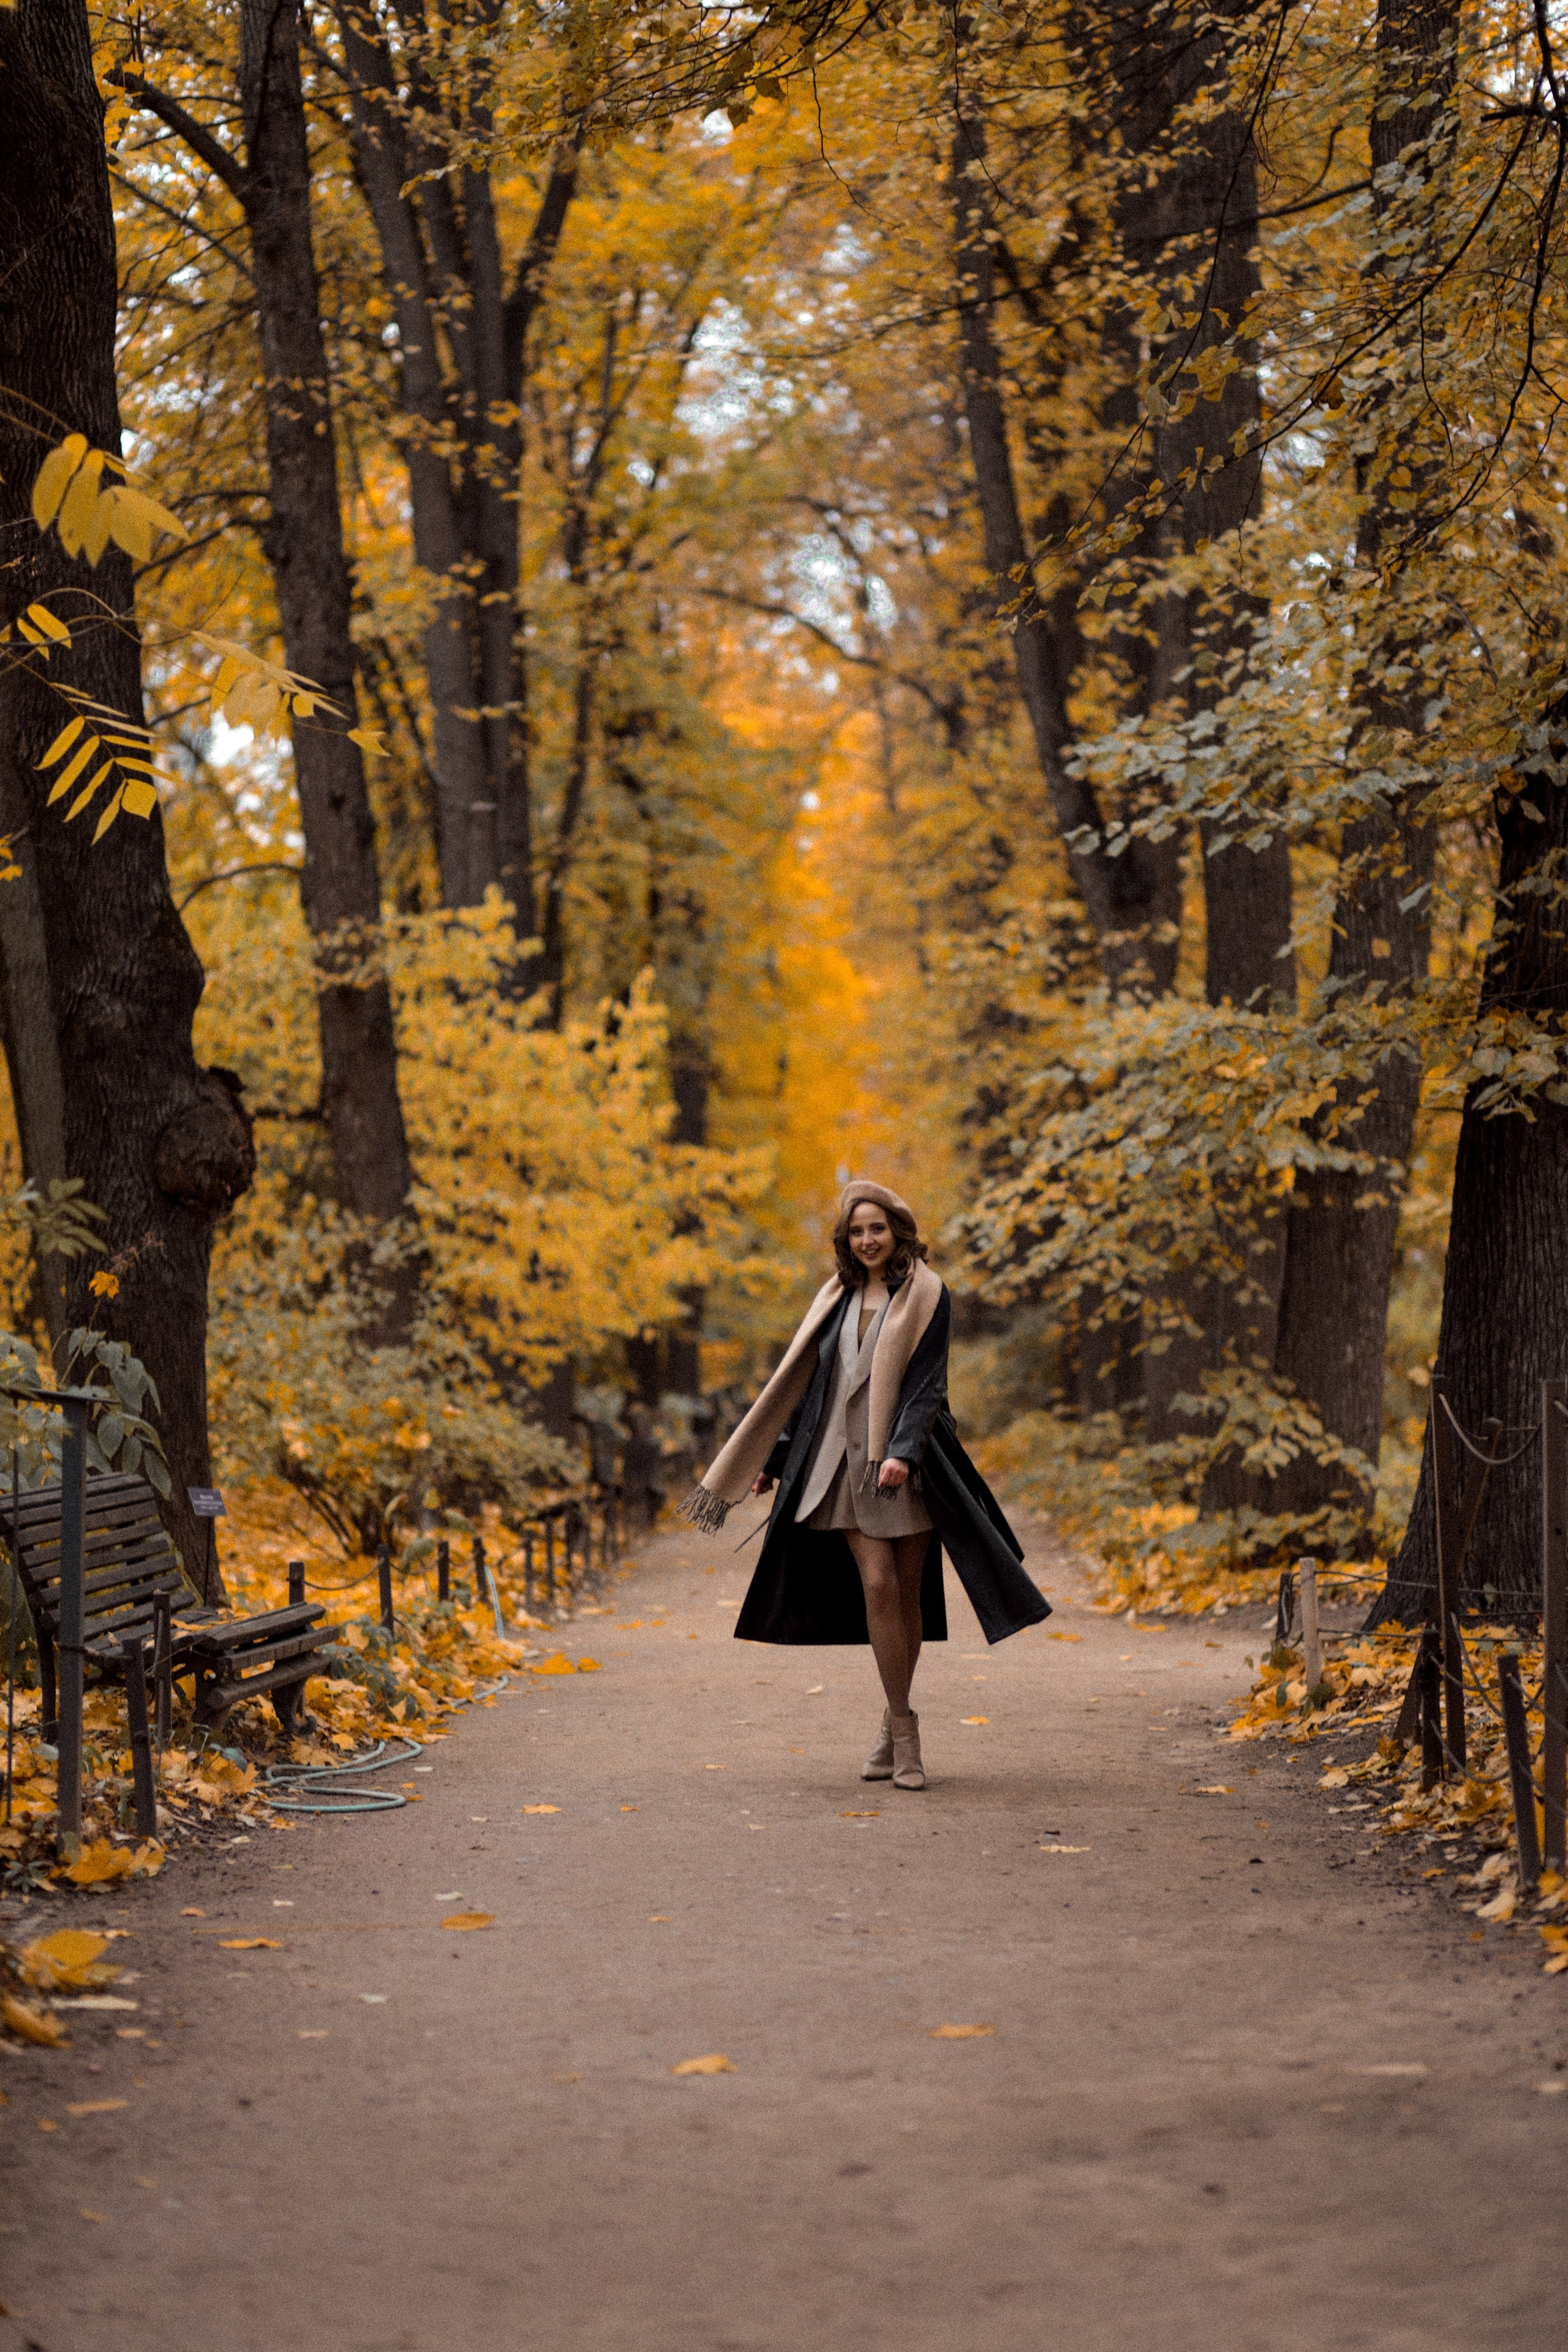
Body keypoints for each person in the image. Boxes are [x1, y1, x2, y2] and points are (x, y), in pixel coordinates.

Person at [682, 1180, 1049, 1790]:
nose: (867, 1240)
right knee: (878, 1583)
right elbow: (809, 1384)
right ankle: (905, 1734)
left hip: (907, 1464)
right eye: (856, 1231)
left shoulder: (928, 1294)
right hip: (840, 1465)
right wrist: (775, 1458)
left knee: (907, 1596)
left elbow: (927, 1384)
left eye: (877, 1228)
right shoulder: (835, 1297)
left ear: (897, 1232)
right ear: (845, 1240)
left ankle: (891, 1721)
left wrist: (901, 1452)